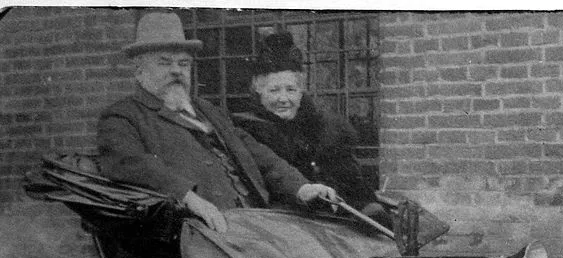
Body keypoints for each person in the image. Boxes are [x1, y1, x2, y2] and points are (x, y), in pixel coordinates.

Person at [97, 12, 338, 238]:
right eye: (164, 62)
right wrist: (189, 198)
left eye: (183, 64)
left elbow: (257, 154)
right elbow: (131, 164)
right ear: (139, 70)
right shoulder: (122, 117)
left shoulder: (207, 110)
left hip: (255, 221)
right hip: (197, 232)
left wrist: (302, 187)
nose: (176, 71)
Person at [234, 31, 392, 228]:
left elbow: (352, 182)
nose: (283, 99)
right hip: (283, 224)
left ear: (301, 91)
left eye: (290, 90)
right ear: (258, 90)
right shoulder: (248, 130)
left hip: (336, 224)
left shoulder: (327, 129)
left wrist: (367, 206)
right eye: (274, 90)